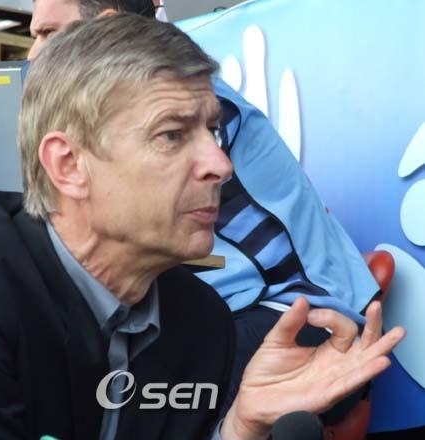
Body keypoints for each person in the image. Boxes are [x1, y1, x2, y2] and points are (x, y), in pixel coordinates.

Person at [0, 14, 404, 440]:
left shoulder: (203, 320)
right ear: (68, 165)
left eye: (212, 131)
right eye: (172, 134)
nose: (221, 165)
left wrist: (240, 426)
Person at [27, 0, 382, 426]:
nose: (33, 54)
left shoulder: (184, 104)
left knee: (120, 387)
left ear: (108, 27)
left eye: (50, 33)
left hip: (298, 311)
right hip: (236, 309)